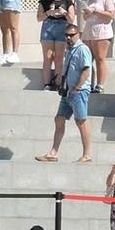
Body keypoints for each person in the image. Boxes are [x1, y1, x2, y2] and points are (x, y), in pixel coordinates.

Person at [36, 21, 95, 164]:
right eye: (66, 36)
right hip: (68, 91)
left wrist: (77, 86)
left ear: (77, 35)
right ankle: (53, 152)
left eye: (71, 35)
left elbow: (86, 70)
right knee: (59, 119)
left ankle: (87, 154)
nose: (68, 38)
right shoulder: (69, 49)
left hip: (79, 91)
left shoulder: (82, 49)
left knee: (81, 121)